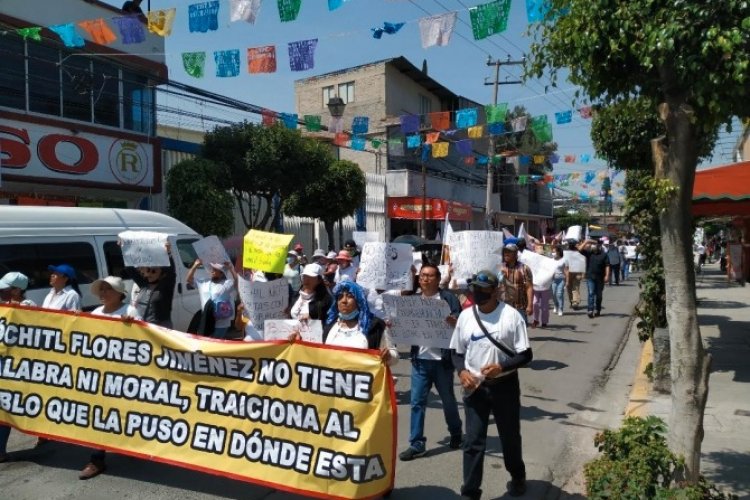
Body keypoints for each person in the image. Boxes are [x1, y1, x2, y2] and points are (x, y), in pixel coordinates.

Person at [450, 270, 532, 499]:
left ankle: (517, 476)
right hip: (475, 387)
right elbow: (456, 352)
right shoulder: (466, 317)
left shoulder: (511, 316)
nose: (478, 294)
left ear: (496, 291)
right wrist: (462, 371)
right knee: (473, 441)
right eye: (475, 289)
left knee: (509, 436)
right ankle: (470, 491)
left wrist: (502, 367)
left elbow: (525, 355)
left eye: (484, 290)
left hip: (504, 386)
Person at [79, 276, 142, 480]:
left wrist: (132, 327)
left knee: (122, 413)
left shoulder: (130, 312)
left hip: (123, 376)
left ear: (120, 293)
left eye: (108, 289)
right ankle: (96, 458)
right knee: (98, 415)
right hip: (99, 375)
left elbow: (144, 342)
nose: (103, 293)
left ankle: (129, 444)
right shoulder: (96, 313)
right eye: (101, 290)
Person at [399, 264, 463, 461]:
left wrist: (455, 320)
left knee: (448, 400)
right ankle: (417, 443)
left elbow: (462, 320)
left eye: (430, 276)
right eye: (423, 276)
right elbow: (404, 324)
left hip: (442, 361)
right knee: (417, 402)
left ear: (438, 278)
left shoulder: (448, 299)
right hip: (420, 361)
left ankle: (456, 432)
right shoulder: (414, 301)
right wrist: (395, 325)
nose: (425, 279)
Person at [290, 280, 398, 366]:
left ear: (359, 301)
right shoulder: (328, 326)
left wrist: (388, 356)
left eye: (350, 296)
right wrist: (300, 341)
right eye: (340, 297)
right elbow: (315, 353)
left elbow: (394, 356)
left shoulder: (375, 326)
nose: (344, 301)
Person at [0, 272, 36, 464]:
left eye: (5, 289)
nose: (1, 292)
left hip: (16, 365)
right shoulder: (3, 307)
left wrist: (17, 313)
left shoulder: (28, 307)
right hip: (3, 361)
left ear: (17, 290)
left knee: (7, 407)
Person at [186, 259, 238, 339]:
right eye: (212, 269)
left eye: (215, 270)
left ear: (221, 274)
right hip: (207, 319)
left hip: (221, 323)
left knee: (215, 344)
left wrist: (231, 268)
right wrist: (195, 265)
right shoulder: (204, 282)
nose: (212, 271)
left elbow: (237, 282)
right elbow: (189, 279)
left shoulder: (226, 284)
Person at [133, 258, 176, 329]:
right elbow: (130, 270)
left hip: (160, 328)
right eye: (148, 269)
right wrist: (124, 249)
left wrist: (168, 254)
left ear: (162, 273)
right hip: (143, 327)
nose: (150, 273)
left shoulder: (166, 287)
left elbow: (171, 272)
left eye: (154, 270)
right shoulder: (143, 284)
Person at [499, 243, 533, 325]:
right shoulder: (500, 268)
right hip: (503, 306)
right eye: (505, 251)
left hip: (519, 306)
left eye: (509, 252)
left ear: (515, 254)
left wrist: (530, 305)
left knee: (520, 329)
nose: (506, 254)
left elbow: (529, 287)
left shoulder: (524, 269)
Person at [578, 238, 610, 318]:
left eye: (596, 245)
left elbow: (607, 265)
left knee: (599, 295)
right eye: (593, 245)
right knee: (591, 293)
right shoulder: (589, 253)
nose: (594, 246)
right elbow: (579, 249)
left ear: (599, 246)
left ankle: (598, 309)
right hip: (590, 277)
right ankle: (590, 310)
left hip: (600, 278)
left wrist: (607, 275)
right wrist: (586, 241)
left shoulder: (604, 255)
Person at [565, 241, 584, 310]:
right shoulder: (578, 253)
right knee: (575, 288)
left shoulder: (567, 254)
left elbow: (566, 267)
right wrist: (583, 273)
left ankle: (573, 302)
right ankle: (574, 302)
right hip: (576, 272)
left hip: (570, 272)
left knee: (570, 288)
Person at [551, 246, 569, 316]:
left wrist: (567, 281)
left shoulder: (564, 260)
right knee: (553, 294)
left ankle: (560, 309)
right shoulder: (551, 260)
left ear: (558, 252)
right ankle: (556, 305)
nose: (553, 253)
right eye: (552, 251)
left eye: (554, 251)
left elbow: (567, 271)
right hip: (553, 280)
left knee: (559, 294)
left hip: (561, 279)